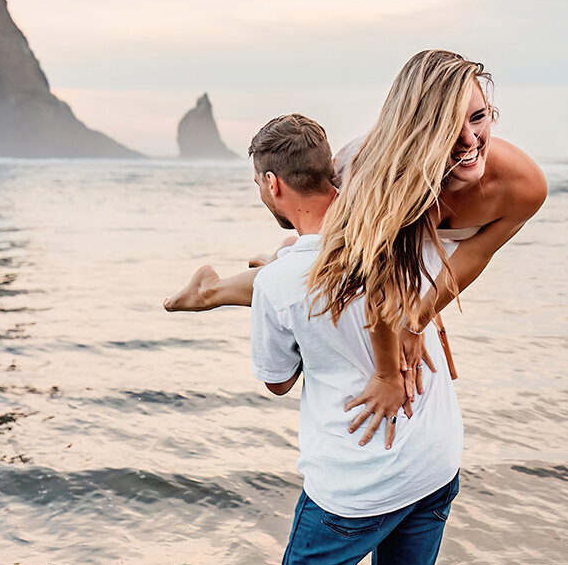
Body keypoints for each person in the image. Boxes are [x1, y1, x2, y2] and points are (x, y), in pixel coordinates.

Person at [225, 112, 463, 565]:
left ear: (272, 185)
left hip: (352, 484)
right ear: (331, 171)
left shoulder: (282, 278)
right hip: (430, 460)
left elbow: (276, 380)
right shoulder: (399, 224)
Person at [164, 50, 547, 445]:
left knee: (384, 303)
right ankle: (216, 287)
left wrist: (417, 318)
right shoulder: (371, 175)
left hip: (414, 222)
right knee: (332, 276)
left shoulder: (524, 186)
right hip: (376, 204)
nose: (469, 139)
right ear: (417, 127)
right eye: (448, 124)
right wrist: (389, 367)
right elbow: (377, 279)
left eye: (478, 117)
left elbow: (477, 253)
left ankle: (281, 258)